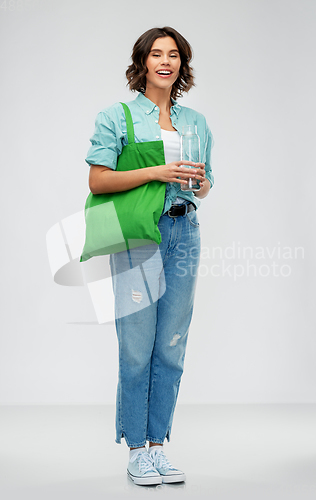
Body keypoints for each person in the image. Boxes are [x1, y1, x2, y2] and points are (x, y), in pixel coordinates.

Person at [85, 26, 214, 486]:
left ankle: (159, 446)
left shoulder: (195, 122)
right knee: (137, 344)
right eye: (156, 54)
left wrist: (198, 183)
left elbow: (207, 183)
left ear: (182, 64)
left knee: (173, 344)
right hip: (140, 234)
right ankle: (136, 449)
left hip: (185, 228)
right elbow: (98, 181)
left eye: (174, 54)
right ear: (141, 62)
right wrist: (157, 170)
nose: (166, 61)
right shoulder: (116, 117)